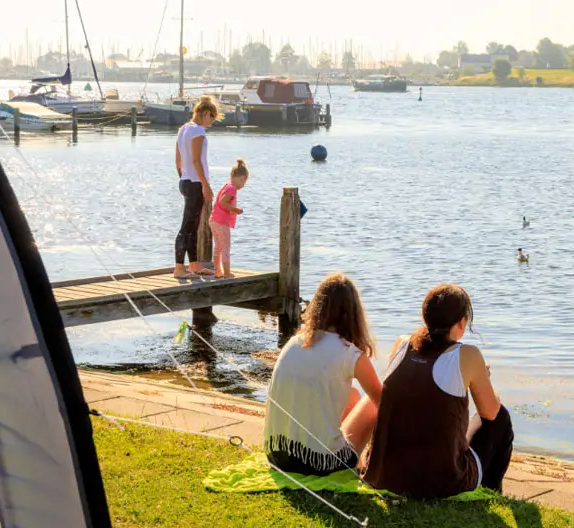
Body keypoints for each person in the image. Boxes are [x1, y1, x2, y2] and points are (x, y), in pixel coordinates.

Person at [363, 284, 514, 498]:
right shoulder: (468, 355)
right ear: (462, 323)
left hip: (386, 477)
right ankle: (491, 491)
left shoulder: (402, 344)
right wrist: (483, 380)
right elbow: (490, 412)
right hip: (442, 484)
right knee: (501, 419)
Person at [264, 273, 381, 475]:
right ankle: (365, 465)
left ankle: (352, 458)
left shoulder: (295, 342)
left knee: (352, 394)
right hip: (319, 463)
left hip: (277, 455)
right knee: (371, 403)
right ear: (354, 313)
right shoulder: (350, 353)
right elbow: (385, 404)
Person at [173, 96, 219, 279]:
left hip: (185, 181)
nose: (212, 122)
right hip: (195, 182)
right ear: (206, 113)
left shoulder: (183, 129)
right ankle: (179, 267)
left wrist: (183, 178)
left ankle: (193, 264)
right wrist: (205, 185)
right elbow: (196, 160)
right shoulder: (198, 131)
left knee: (193, 226)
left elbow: (178, 161)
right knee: (187, 227)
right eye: (212, 118)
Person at [209, 158, 248, 278]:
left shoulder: (227, 185)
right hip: (221, 222)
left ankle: (217, 271)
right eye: (244, 183)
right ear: (242, 178)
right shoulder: (232, 189)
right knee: (225, 246)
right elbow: (223, 202)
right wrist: (235, 210)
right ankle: (226, 272)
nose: (243, 186)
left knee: (218, 246)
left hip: (213, 220)